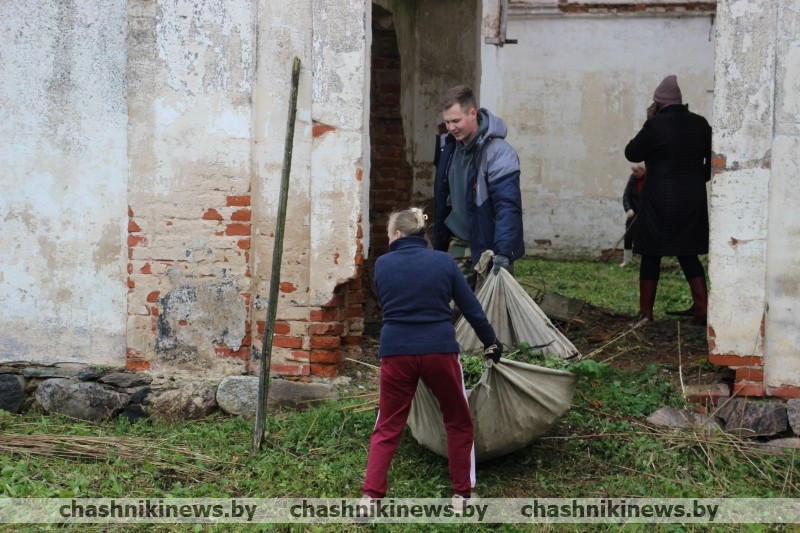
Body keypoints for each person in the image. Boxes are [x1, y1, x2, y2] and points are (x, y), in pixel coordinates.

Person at [361, 207, 503, 505]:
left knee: (387, 424)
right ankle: (462, 495)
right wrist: (490, 341)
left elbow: (386, 301)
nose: (388, 239)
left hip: (396, 352)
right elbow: (471, 308)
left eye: (388, 234)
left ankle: (370, 499)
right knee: (458, 420)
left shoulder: (382, 265)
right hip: (440, 350)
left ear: (398, 234)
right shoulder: (443, 261)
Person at [624, 75, 712, 325]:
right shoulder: (701, 124)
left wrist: (649, 121)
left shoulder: (656, 125)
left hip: (658, 203)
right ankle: (702, 310)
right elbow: (712, 162)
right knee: (688, 253)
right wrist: (695, 180)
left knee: (651, 254)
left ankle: (645, 313)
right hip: (692, 201)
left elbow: (632, 152)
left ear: (658, 103)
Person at [433, 85, 525, 289]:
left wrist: (503, 251)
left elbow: (507, 205)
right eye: (447, 122)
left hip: (489, 248)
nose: (450, 128)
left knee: (490, 307)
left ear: (473, 113)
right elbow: (442, 199)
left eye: (456, 121)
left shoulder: (499, 153)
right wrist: (438, 245)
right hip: (458, 242)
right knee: (449, 303)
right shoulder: (447, 148)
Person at [620, 163, 646, 267]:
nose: (634, 173)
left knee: (643, 237)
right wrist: (628, 209)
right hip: (633, 213)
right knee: (628, 235)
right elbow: (626, 196)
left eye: (636, 171)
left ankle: (642, 261)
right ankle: (627, 261)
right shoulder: (633, 179)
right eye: (633, 171)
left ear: (643, 170)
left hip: (646, 214)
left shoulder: (650, 179)